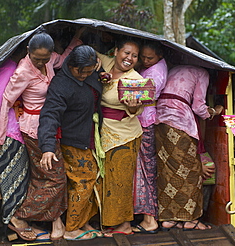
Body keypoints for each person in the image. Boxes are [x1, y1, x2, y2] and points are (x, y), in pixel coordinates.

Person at [0, 30, 82, 241]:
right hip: (35, 130)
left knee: (45, 176)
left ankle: (55, 221)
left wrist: (76, 40)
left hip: (51, 126)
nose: (41, 63)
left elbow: (61, 60)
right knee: (56, 178)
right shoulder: (23, 71)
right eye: (37, 59)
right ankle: (18, 215)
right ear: (28, 52)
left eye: (45, 59)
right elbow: (6, 101)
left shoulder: (49, 60)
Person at [38, 45, 104, 240]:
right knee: (84, 180)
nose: (84, 75)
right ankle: (71, 228)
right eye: (80, 71)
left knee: (95, 179)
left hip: (90, 137)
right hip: (72, 140)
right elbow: (49, 116)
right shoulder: (61, 85)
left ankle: (82, 222)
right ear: (71, 65)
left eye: (88, 71)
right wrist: (47, 148)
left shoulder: (92, 71)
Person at [155, 65, 221, 230]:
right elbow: (198, 107)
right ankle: (190, 219)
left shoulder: (174, 68)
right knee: (192, 171)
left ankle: (169, 218)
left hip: (160, 121)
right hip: (179, 122)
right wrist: (214, 111)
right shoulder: (202, 72)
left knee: (167, 172)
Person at [95, 39, 144, 237]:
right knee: (104, 179)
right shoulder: (106, 62)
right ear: (116, 52)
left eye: (134, 56)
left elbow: (136, 109)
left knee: (120, 180)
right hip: (103, 131)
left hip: (125, 135)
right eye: (126, 53)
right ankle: (108, 221)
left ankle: (124, 224)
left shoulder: (136, 80)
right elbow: (86, 52)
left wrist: (132, 105)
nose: (129, 58)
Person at [0, 47, 29, 235]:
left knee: (7, 181)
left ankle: (8, 223)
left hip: (8, 130)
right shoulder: (10, 69)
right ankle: (14, 220)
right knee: (15, 179)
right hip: (8, 132)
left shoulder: (8, 65)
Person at [132, 42, 168, 233]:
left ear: (159, 55)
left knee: (146, 171)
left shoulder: (156, 73)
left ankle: (149, 219)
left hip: (145, 121)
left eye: (149, 58)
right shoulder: (156, 67)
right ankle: (148, 216)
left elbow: (146, 95)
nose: (145, 61)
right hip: (147, 119)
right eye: (143, 57)